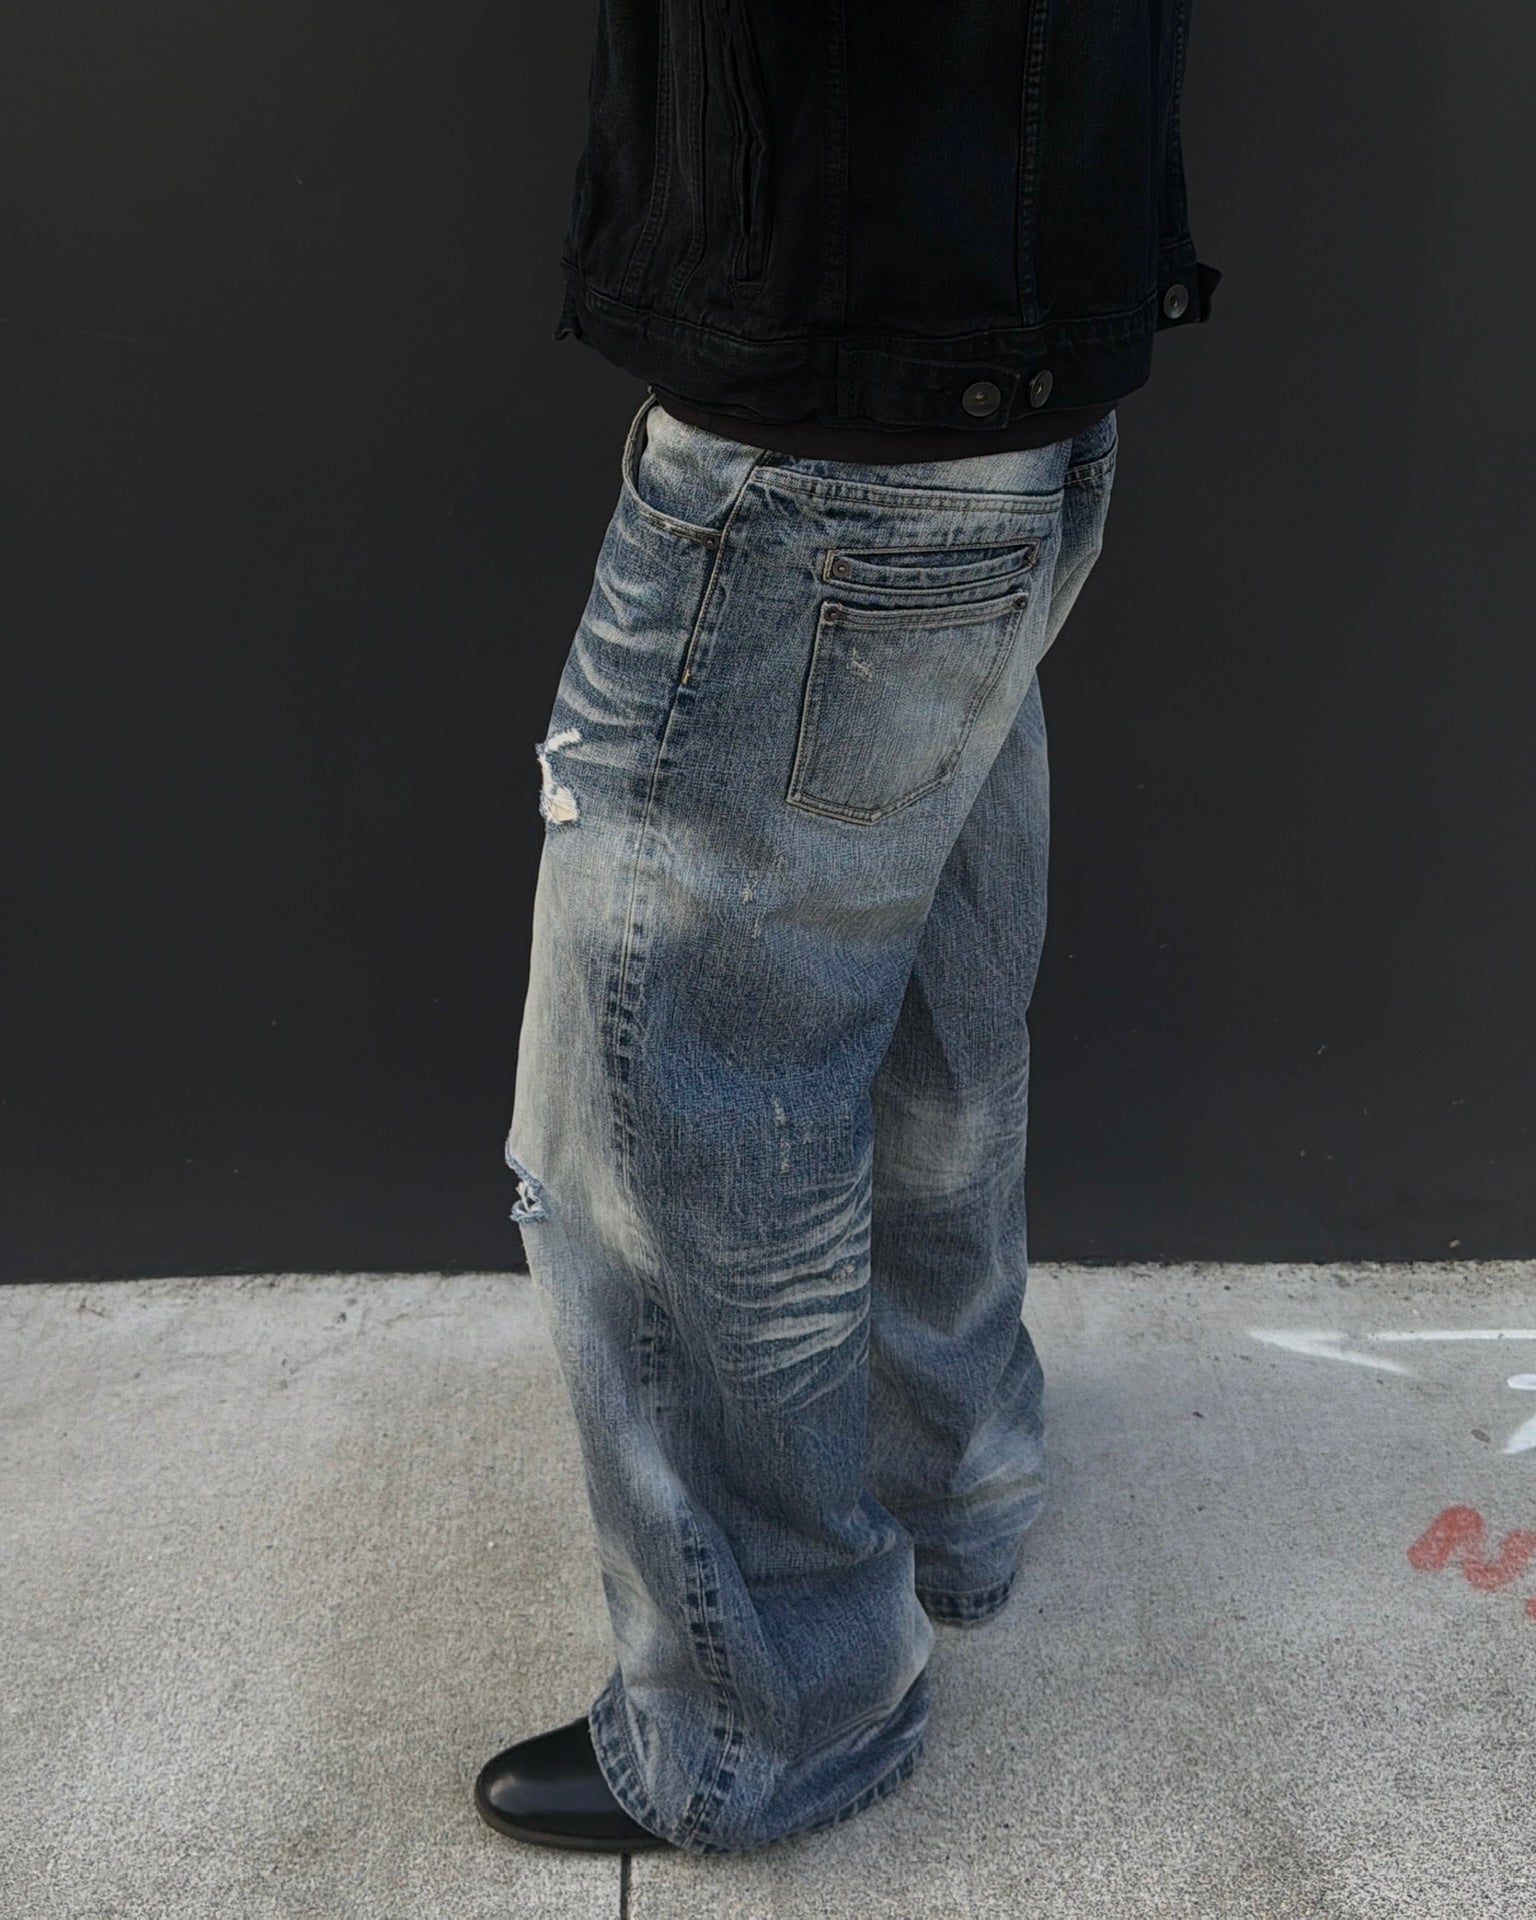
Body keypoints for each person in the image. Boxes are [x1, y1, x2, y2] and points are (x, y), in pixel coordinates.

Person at [475, 0, 1221, 1858]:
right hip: (1017, 363)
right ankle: (950, 1486)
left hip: (829, 403)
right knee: (925, 1027)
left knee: (666, 1120)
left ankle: (774, 1714)